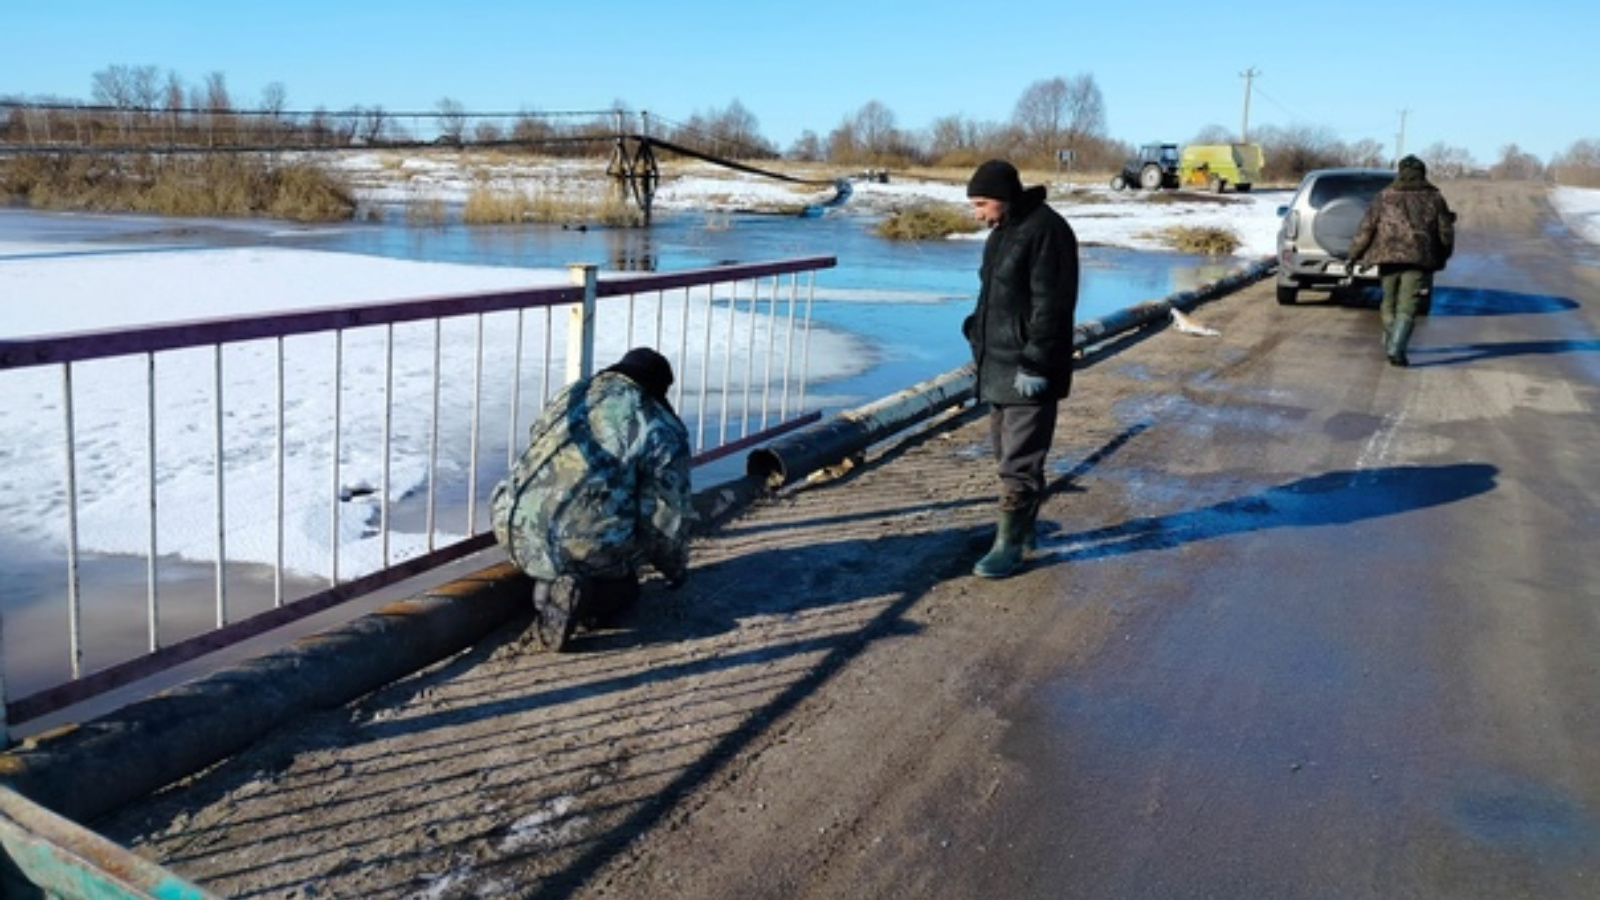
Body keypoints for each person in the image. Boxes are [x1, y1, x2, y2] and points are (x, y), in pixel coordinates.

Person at [490, 347, 693, 651]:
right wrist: (674, 567)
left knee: (562, 549)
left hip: (514, 531)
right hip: (582, 545)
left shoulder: (573, 395)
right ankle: (586, 595)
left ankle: (549, 588)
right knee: (626, 591)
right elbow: (665, 514)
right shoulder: (658, 424)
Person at [961, 159, 1080, 579]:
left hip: (1029, 368)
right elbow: (993, 292)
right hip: (997, 364)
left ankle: (1009, 546)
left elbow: (1053, 304)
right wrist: (977, 328)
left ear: (1004, 198)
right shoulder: (1001, 233)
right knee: (1005, 453)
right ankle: (1024, 530)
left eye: (981, 203)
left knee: (1018, 460)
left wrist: (1035, 361)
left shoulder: (1047, 231)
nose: (977, 213)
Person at [1346, 155, 1456, 367]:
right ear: (1423, 173)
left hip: (1387, 257)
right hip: (1418, 258)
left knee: (1388, 300)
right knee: (1408, 306)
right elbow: (1445, 232)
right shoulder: (1435, 198)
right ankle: (1396, 348)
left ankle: (1392, 340)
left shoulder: (1384, 196)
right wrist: (1443, 255)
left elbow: (1366, 229)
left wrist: (1353, 255)